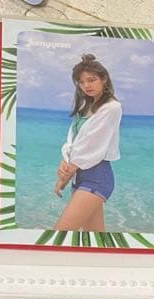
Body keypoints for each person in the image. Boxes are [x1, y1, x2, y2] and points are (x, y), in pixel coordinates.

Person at [53, 54, 122, 231]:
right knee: (94, 238)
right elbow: (73, 141)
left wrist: (64, 177)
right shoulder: (85, 108)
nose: (86, 86)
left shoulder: (111, 108)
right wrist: (64, 163)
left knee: (58, 236)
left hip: (96, 178)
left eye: (91, 80)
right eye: (81, 82)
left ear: (104, 79)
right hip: (80, 177)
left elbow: (91, 146)